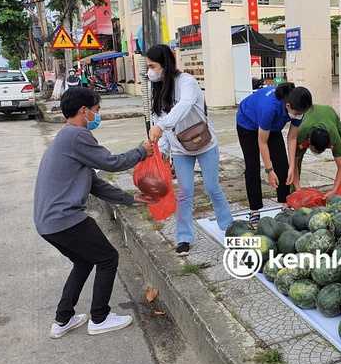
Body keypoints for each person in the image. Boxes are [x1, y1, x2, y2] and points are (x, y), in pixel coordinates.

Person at [34, 86, 156, 338]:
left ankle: (62, 319)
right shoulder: (78, 136)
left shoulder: (66, 138)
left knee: (83, 261)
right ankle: (99, 318)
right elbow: (111, 162)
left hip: (47, 222)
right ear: (83, 110)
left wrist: (129, 199)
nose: (97, 115)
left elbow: (94, 182)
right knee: (108, 258)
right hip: (66, 219)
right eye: (97, 110)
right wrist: (142, 151)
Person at [146, 44, 233, 256]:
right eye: (148, 66)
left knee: (212, 188)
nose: (150, 71)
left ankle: (230, 229)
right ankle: (184, 237)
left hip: (204, 143)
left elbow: (185, 105)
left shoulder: (186, 81)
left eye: (153, 66)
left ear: (165, 65)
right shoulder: (155, 86)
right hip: (179, 148)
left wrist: (161, 125)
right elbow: (157, 116)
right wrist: (163, 149)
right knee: (185, 192)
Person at [236, 82, 312, 227]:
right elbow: (262, 142)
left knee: (282, 163)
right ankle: (254, 210)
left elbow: (292, 138)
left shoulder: (298, 108)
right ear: (288, 106)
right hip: (248, 124)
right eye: (297, 113)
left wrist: (292, 166)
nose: (299, 116)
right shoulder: (269, 107)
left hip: (272, 126)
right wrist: (269, 170)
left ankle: (285, 204)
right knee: (252, 166)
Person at [293, 104, 341, 199]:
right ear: (309, 142)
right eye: (315, 151)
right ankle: (294, 192)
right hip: (310, 116)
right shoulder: (302, 133)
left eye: (321, 151)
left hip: (330, 115)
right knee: (296, 158)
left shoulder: (333, 135)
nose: (318, 153)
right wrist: (298, 188)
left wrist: (334, 191)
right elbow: (293, 163)